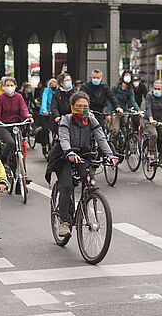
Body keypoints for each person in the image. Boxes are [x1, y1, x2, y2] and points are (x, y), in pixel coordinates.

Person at [45, 91, 118, 237]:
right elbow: (64, 139)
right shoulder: (66, 120)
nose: (82, 108)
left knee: (88, 178)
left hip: (83, 153)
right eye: (78, 106)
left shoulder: (91, 120)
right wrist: (69, 153)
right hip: (64, 155)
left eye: (85, 106)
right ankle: (64, 222)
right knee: (66, 186)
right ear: (72, 107)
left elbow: (101, 138)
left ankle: (87, 197)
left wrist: (110, 155)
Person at [0, 77, 33, 166]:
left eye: (11, 85)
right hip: (3, 126)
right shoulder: (0, 98)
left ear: (15, 86)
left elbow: (24, 109)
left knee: (20, 147)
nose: (10, 87)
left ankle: (23, 173)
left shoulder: (19, 97)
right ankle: (3, 159)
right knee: (11, 142)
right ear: (3, 87)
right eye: (7, 85)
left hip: (16, 125)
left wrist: (28, 117)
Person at [107, 70, 141, 140]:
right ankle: (114, 145)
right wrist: (108, 113)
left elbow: (133, 101)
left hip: (124, 111)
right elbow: (110, 100)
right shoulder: (115, 88)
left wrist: (138, 110)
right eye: (126, 75)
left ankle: (126, 144)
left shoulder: (130, 90)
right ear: (122, 76)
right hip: (115, 111)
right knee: (115, 131)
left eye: (129, 76)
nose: (127, 77)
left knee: (128, 126)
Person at [38, 78, 58, 148]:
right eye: (52, 85)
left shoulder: (58, 90)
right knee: (45, 129)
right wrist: (44, 110)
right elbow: (44, 100)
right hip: (45, 112)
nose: (54, 86)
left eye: (55, 85)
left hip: (54, 112)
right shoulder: (46, 90)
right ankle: (44, 145)